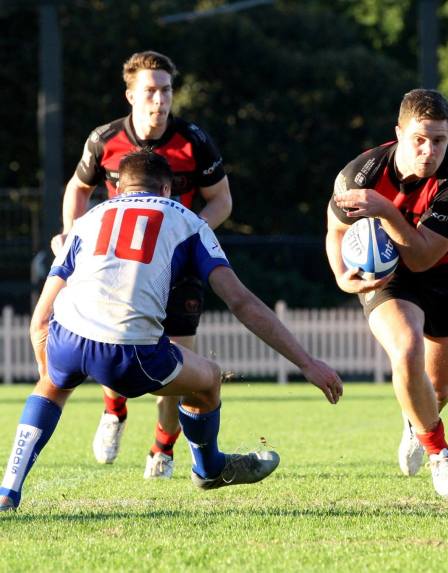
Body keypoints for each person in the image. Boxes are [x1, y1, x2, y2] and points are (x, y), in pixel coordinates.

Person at [0, 151, 342, 512]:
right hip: (130, 352)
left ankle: (8, 490)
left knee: (51, 388)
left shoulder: (87, 220)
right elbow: (240, 302)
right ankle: (209, 468)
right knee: (209, 378)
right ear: (167, 188)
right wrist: (305, 362)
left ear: (116, 189)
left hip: (68, 335)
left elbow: (40, 319)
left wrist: (49, 368)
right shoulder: (187, 220)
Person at [52, 51, 233, 479]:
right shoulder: (104, 139)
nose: (159, 99)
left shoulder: (194, 141)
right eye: (150, 90)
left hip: (179, 272)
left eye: (166, 89)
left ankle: (162, 450)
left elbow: (222, 200)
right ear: (130, 94)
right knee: (114, 343)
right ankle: (114, 410)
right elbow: (78, 187)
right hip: (119, 270)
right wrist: (71, 231)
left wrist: (185, 238)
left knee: (180, 363)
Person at [324, 89, 448, 496]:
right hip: (387, 276)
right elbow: (335, 229)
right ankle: (440, 452)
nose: (429, 150)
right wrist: (340, 275)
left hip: (437, 273)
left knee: (439, 390)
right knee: (407, 351)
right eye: (419, 139)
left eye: (439, 140)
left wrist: (385, 210)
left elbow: (423, 258)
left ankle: (414, 422)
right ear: (399, 134)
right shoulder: (362, 174)